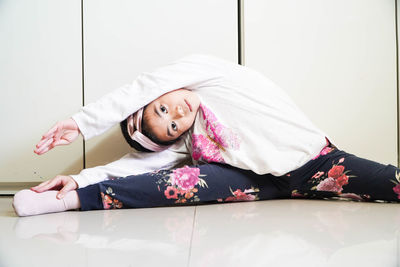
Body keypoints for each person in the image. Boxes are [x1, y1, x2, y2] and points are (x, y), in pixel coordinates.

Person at [12, 54, 400, 217]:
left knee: (388, 180)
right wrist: (79, 179)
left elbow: (141, 85)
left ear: (158, 94)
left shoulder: (207, 74)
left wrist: (80, 123)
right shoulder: (189, 140)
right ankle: (68, 202)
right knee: (173, 182)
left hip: (318, 164)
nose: (176, 115)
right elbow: (132, 167)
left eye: (163, 108)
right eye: (172, 127)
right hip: (257, 182)